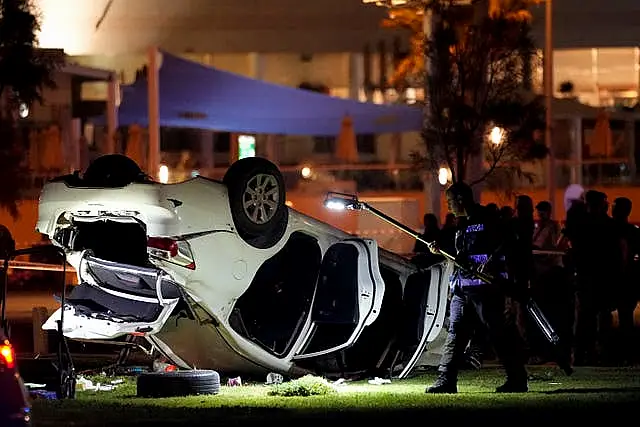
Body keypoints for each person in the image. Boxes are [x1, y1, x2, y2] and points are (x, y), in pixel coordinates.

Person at [425, 182, 528, 394]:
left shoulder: (488, 218)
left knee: (498, 334)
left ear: (461, 199)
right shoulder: (461, 224)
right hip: (463, 290)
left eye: (450, 201)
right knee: (455, 334)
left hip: (486, 291)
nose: (449, 206)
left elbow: (507, 244)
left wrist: (491, 264)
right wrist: (439, 249)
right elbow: (463, 254)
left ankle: (517, 379)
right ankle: (446, 380)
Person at [611, 197, 640, 365]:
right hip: (626, 280)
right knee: (625, 318)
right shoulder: (633, 232)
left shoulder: (609, 230)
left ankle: (619, 353)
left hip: (620, 280)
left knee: (622, 318)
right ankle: (625, 353)